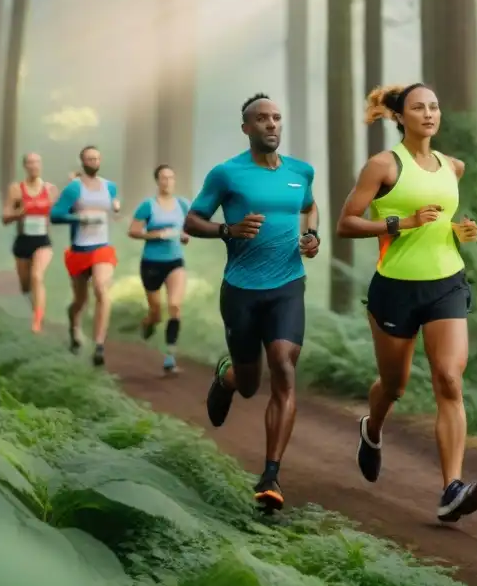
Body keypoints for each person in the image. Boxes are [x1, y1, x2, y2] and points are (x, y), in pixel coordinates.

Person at [335, 82, 477, 523]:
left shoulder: (452, 167)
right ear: (400, 117)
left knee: (449, 379)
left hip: (446, 284)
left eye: (435, 106)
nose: (429, 114)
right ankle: (373, 428)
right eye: (419, 107)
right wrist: (401, 223)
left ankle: (451, 489)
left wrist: (459, 230)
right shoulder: (382, 166)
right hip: (396, 289)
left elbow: (441, 222)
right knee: (394, 386)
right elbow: (346, 223)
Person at [184, 93, 320, 512]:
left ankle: (271, 475)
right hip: (241, 289)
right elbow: (192, 219)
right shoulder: (227, 174)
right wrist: (228, 230)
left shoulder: (301, 172)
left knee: (283, 365)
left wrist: (313, 236)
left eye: (277, 117)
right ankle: (227, 377)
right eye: (262, 119)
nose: (271, 124)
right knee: (248, 384)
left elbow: (310, 208)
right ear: (246, 127)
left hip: (287, 285)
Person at [49, 145, 121, 366]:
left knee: (101, 288)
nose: (94, 162)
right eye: (90, 158)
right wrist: (79, 219)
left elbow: (114, 203)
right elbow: (55, 215)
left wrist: (116, 206)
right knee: (80, 301)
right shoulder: (74, 189)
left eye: (97, 158)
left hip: (102, 248)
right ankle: (74, 329)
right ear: (82, 161)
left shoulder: (110, 187)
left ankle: (99, 345)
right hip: (80, 249)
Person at [128, 164, 191, 375]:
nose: (167, 182)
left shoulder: (182, 204)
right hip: (152, 263)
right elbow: (133, 231)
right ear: (157, 181)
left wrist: (184, 235)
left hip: (175, 261)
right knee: (156, 313)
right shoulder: (148, 205)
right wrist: (154, 235)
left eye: (171, 178)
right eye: (163, 178)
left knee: (174, 306)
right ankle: (148, 323)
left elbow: (189, 227)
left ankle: (170, 356)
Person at [0, 152, 56, 333]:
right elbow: (5, 217)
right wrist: (19, 214)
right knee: (25, 286)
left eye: (37, 162)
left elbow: (59, 213)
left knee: (37, 276)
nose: (34, 166)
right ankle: (35, 309)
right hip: (23, 241)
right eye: (30, 163)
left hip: (43, 241)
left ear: (41, 165)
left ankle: (37, 322)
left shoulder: (50, 189)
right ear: (25, 166)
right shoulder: (16, 189)